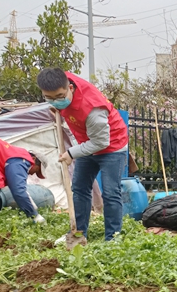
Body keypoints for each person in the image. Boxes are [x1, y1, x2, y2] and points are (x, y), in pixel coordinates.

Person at [37, 67, 128, 241]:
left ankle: (113, 237)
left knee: (110, 192)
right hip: (87, 142)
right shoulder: (61, 80)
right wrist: (57, 107)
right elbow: (56, 97)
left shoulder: (92, 108)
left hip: (112, 145)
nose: (56, 101)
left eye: (60, 97)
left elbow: (101, 142)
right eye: (49, 98)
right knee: (79, 188)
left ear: (70, 88)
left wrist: (71, 153)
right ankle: (78, 233)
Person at [0, 139, 46, 223]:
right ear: (33, 159)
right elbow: (18, 191)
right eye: (36, 170)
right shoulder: (20, 161)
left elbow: (18, 188)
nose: (32, 174)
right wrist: (34, 215)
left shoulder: (14, 155)